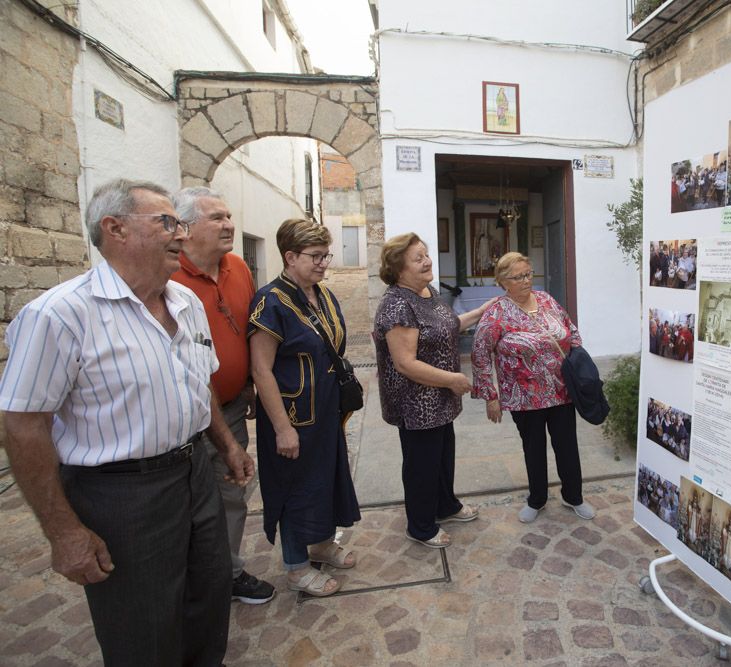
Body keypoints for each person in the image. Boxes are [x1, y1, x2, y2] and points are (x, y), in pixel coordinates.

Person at [0, 179, 254, 665]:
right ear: (114, 229)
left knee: (208, 597)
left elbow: (194, 384)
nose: (180, 234)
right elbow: (23, 425)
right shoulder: (60, 315)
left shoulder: (186, 305)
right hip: (120, 494)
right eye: (166, 223)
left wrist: (225, 445)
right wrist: (64, 533)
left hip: (194, 473)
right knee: (143, 627)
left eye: (181, 224)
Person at [170, 187, 275, 605]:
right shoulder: (169, 276)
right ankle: (186, 578)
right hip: (183, 416)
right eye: (216, 218)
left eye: (228, 215)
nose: (229, 224)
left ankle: (228, 572)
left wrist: (248, 382)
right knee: (183, 503)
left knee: (232, 490)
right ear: (185, 228)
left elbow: (248, 329)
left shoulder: (237, 266)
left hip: (230, 406)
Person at [249, 219, 361, 597]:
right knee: (295, 488)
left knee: (327, 479)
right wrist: (282, 428)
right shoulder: (270, 302)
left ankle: (322, 543)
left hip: (327, 412)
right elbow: (261, 369)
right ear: (290, 256)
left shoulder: (323, 295)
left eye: (325, 255)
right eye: (315, 256)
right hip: (293, 417)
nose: (323, 263)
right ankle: (297, 566)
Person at [373, 233, 491, 548]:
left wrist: (481, 311)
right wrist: (452, 379)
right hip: (416, 404)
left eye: (426, 254)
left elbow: (449, 325)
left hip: (438, 398)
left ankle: (445, 505)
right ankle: (421, 525)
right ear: (399, 269)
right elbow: (405, 364)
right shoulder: (398, 305)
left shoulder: (428, 292)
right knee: (421, 466)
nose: (427, 261)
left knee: (442, 457)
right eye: (418, 258)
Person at [472, 252, 596, 523]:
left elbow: (571, 331)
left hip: (561, 390)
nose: (526, 280)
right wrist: (490, 396)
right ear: (504, 281)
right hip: (524, 396)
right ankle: (537, 499)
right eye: (519, 277)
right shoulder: (497, 313)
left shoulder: (547, 300)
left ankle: (573, 496)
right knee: (534, 448)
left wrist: (578, 364)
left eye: (528, 274)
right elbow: (480, 353)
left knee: (567, 446)